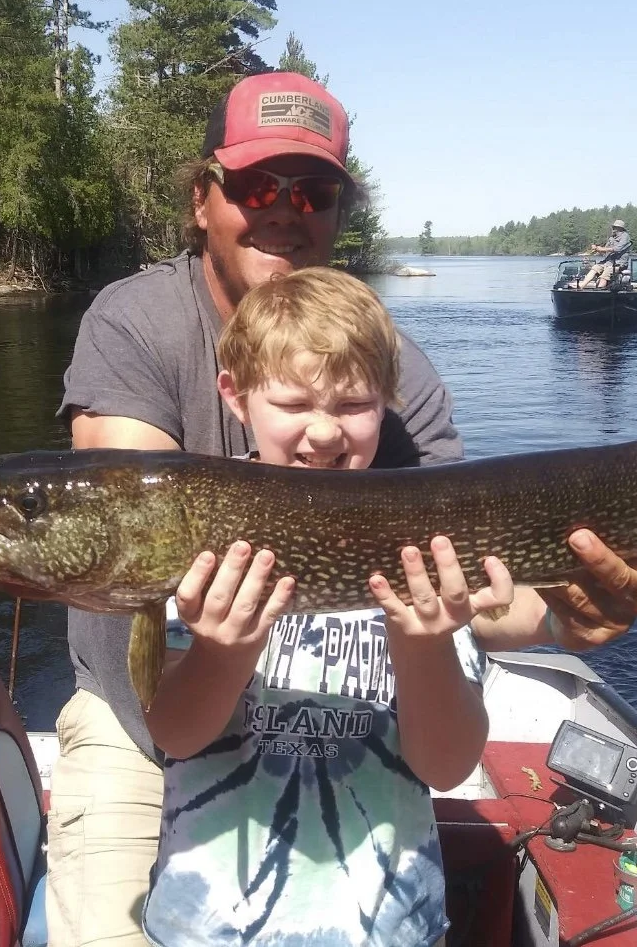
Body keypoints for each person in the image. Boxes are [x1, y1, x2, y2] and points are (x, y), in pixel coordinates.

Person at [50, 70, 637, 946]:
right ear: (203, 199)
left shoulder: (391, 369)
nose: (285, 208)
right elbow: (133, 527)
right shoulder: (136, 322)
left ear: (338, 211)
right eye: (255, 185)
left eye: (312, 190)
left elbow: (463, 583)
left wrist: (568, 615)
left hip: (368, 740)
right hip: (152, 718)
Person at [141, 267, 502, 946]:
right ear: (235, 395)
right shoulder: (191, 531)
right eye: (295, 402)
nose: (324, 432)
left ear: (388, 402)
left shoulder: (424, 541)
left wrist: (423, 645)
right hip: (207, 927)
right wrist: (223, 650)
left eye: (352, 404)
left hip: (387, 926)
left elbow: (447, 765)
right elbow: (175, 732)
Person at [578, 219, 632, 289]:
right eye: (613, 227)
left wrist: (601, 249)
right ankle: (582, 285)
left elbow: (617, 249)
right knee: (595, 268)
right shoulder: (612, 238)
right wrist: (597, 249)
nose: (613, 229)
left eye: (615, 227)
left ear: (620, 228)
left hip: (619, 263)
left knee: (606, 273)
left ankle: (599, 291)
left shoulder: (625, 236)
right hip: (608, 262)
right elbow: (605, 250)